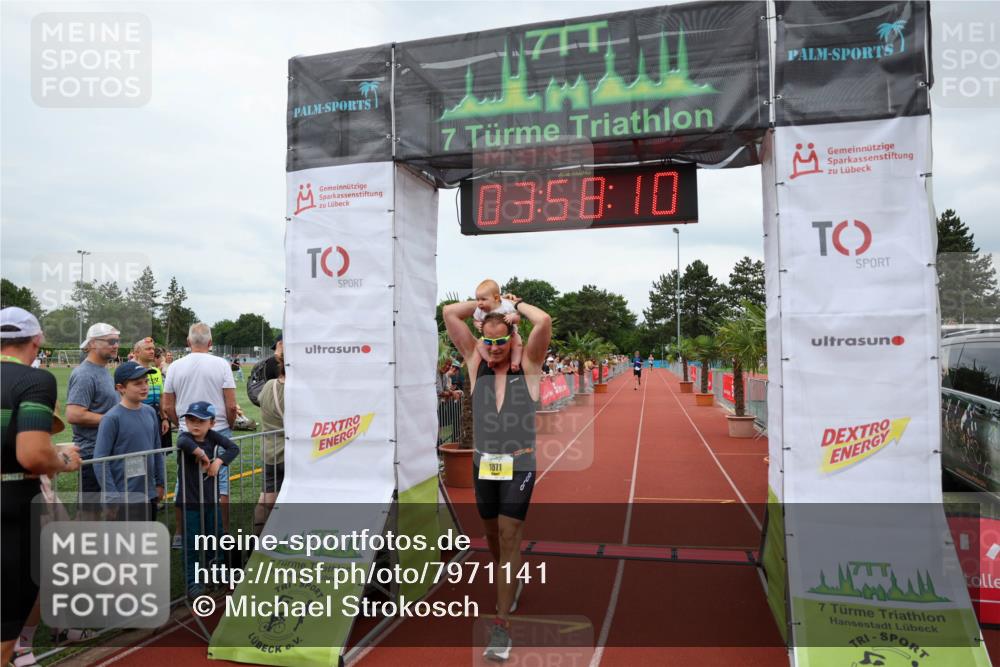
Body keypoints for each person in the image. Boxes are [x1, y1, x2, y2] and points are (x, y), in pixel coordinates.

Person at [443, 293, 551, 662]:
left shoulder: (530, 364)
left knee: (509, 535)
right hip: (484, 465)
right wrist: (484, 305)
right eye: (486, 341)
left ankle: (502, 624)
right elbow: (448, 313)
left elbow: (545, 322)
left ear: (511, 341)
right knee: (492, 537)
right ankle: (510, 574)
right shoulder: (476, 363)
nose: (492, 348)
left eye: (499, 341)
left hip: (519, 465)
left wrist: (513, 307)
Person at [1, 307, 82, 666]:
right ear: (36, 341)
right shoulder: (35, 381)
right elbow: (33, 455)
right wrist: (63, 459)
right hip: (13, 506)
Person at [162, 323, 238, 543]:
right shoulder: (221, 364)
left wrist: (183, 424)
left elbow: (167, 406)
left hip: (187, 432)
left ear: (188, 343)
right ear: (211, 343)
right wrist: (229, 425)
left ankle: (180, 533)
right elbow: (231, 405)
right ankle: (220, 533)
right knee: (220, 482)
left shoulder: (175, 366)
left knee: (183, 482)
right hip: (218, 429)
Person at [174, 402, 239, 598]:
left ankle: (215, 572)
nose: (195, 424)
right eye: (191, 419)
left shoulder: (212, 436)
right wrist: (202, 454)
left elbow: (233, 448)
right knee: (192, 544)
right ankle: (192, 582)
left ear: (211, 423)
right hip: (190, 502)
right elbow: (182, 443)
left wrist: (219, 461)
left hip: (211, 500)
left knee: (214, 538)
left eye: (201, 421)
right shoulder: (185, 437)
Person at [92, 361, 166, 521]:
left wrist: (160, 483)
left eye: (146, 382)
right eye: (137, 383)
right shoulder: (111, 418)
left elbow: (157, 449)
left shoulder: (150, 412)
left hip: (148, 493)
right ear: (121, 388)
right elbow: (100, 461)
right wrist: (112, 497)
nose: (144, 387)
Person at [66, 323, 122, 506]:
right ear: (92, 344)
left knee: (110, 510)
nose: (116, 345)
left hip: (106, 452)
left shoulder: (103, 370)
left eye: (117, 341)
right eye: (111, 341)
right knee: (91, 514)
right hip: (92, 455)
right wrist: (114, 421)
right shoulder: (84, 374)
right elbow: (74, 415)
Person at [255, 357, 285, 534]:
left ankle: (254, 541)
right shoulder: (298, 390)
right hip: (292, 454)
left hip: (270, 451)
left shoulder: (269, 386)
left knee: (266, 500)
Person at [473, 280, 523, 372]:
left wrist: (512, 317)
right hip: (489, 339)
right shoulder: (479, 310)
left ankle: (515, 362)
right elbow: (475, 320)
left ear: (496, 298)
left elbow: (518, 318)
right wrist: (477, 324)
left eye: (483, 299)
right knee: (479, 344)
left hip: (511, 335)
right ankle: (489, 360)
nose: (479, 303)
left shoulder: (506, 305)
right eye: (477, 299)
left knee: (518, 344)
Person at [133, 338, 171, 449]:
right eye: (148, 349)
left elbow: (161, 396)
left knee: (158, 452)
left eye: (153, 349)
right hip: (138, 420)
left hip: (157, 419)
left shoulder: (156, 371)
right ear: (137, 352)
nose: (152, 351)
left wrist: (164, 418)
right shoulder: (131, 371)